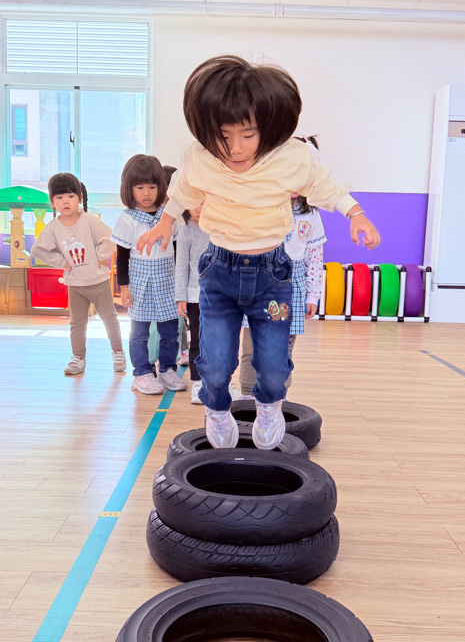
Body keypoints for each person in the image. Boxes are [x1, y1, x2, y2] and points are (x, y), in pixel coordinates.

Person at [137, 55, 379, 448]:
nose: (235, 148)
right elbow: (183, 191)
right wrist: (165, 221)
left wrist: (356, 214)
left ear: (267, 127)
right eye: (223, 135)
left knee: (272, 359)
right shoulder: (200, 158)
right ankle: (217, 410)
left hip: (272, 278)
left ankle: (269, 406)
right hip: (219, 274)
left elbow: (325, 186)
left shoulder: (291, 157)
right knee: (215, 361)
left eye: (248, 134)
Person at [238, 175, 326, 396]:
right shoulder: (262, 208)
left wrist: (313, 295)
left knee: (283, 347)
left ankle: (278, 394)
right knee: (251, 344)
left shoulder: (311, 215)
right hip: (260, 282)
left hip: (292, 285)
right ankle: (248, 393)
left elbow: (315, 258)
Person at [31, 172, 125, 377]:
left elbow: (112, 237)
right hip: (75, 285)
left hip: (98, 282)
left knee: (109, 318)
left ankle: (118, 352)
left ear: (80, 198)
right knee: (77, 323)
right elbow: (37, 249)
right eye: (59, 197)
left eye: (71, 196)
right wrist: (62, 262)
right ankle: (78, 357)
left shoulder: (89, 221)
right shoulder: (53, 228)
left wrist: (98, 255)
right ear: (52, 201)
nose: (65, 201)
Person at [112, 154, 186, 396]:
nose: (146, 193)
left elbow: (177, 252)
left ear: (161, 187)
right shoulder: (128, 219)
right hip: (139, 283)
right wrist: (124, 288)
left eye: (152, 187)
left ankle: (167, 369)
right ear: (129, 188)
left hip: (167, 281)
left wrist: (181, 286)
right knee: (139, 332)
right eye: (140, 187)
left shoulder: (169, 216)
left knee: (170, 331)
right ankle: (142, 373)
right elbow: (121, 257)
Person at [175, 203, 212, 405]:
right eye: (193, 203)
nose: (198, 208)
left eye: (203, 202)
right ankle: (198, 382)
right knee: (197, 340)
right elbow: (181, 266)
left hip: (220, 295)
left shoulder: (219, 228)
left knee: (219, 341)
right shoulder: (185, 231)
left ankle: (217, 381)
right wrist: (181, 297)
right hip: (195, 296)